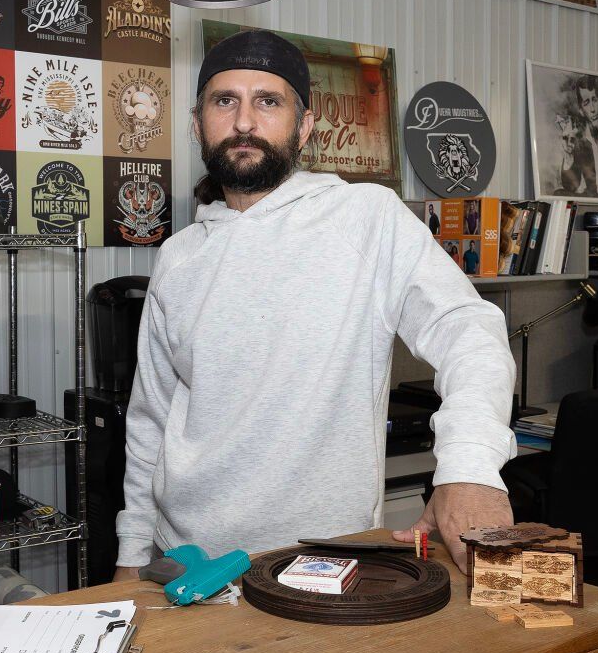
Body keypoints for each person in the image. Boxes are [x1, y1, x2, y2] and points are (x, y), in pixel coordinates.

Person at [112, 29, 516, 581]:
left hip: (324, 563)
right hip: (185, 561)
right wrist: (131, 554)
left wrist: (468, 469)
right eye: (224, 100)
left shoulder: (366, 217)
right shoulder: (179, 257)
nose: (245, 122)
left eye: (268, 101)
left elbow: (467, 329)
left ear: (304, 126)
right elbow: (150, 422)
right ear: (197, 121)